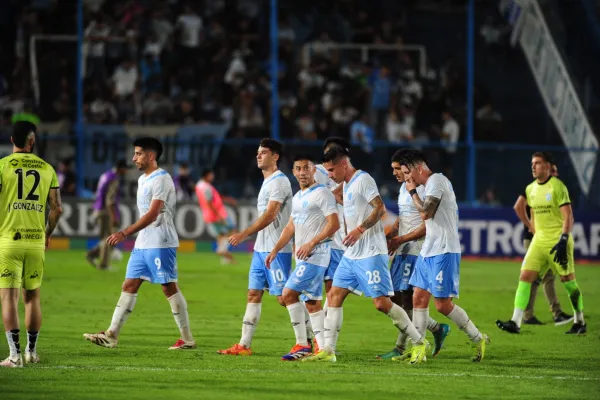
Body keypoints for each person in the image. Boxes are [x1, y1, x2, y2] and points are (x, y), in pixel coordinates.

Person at [304, 146, 429, 364]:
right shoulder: (348, 184)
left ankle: (419, 342)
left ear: (344, 164)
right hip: (352, 254)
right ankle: (328, 350)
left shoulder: (363, 180)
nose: (330, 176)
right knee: (334, 296)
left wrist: (360, 229)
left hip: (371, 253)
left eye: (332, 170)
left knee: (381, 303)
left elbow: (379, 209)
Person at [83, 137, 196, 350]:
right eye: (134, 153)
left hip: (160, 241)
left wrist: (125, 232)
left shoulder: (162, 179)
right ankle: (111, 334)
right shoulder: (142, 179)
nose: (133, 158)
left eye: (138, 153)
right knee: (129, 284)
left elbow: (153, 214)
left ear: (151, 156)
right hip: (143, 242)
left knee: (168, 287)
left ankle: (187, 339)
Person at [397, 149, 489, 362]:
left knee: (442, 304)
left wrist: (412, 192)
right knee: (418, 297)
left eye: (408, 174)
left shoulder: (437, 180)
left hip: (445, 249)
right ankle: (418, 348)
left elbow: (426, 212)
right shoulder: (427, 185)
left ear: (419, 168)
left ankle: (477, 338)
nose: (407, 179)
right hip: (429, 248)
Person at [218, 138, 294, 356]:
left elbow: (271, 215)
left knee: (284, 297)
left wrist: (244, 234)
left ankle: (311, 340)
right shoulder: (267, 181)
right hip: (261, 250)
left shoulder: (280, 181)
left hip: (277, 249)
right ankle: (244, 345)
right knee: (253, 294)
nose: (258, 155)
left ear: (275, 156)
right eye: (258, 152)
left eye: (264, 152)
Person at [497, 152, 586, 335]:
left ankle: (580, 320)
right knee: (525, 276)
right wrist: (533, 228)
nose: (533, 166)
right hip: (539, 241)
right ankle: (516, 321)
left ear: (547, 166)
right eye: (532, 163)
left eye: (537, 163)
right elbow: (532, 214)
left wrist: (563, 238)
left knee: (568, 281)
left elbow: (568, 215)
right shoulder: (530, 189)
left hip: (557, 241)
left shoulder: (558, 187)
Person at [0, 121, 63, 367]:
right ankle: (31, 352)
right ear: (32, 141)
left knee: (8, 297)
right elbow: (57, 209)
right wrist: (47, 234)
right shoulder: (47, 169)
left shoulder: (3, 166)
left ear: (12, 140)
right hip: (36, 240)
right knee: (32, 297)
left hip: (8, 240)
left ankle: (14, 356)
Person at [377, 150, 450, 360]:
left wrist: (401, 239)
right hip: (403, 248)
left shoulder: (422, 189)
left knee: (407, 300)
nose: (395, 173)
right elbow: (403, 216)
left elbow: (428, 225)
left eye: (397, 168)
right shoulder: (404, 188)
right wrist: (392, 233)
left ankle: (403, 347)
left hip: (417, 249)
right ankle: (435, 328)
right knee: (394, 298)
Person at [266, 154, 340, 361]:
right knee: (312, 302)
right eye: (298, 168)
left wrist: (311, 243)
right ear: (293, 171)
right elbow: (291, 227)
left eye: (306, 168)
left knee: (288, 294)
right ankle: (325, 350)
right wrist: (275, 250)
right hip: (304, 257)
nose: (302, 172)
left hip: (316, 255)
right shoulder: (298, 197)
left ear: (314, 170)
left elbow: (334, 224)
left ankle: (302, 344)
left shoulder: (322, 193)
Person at [512, 162, 572, 325]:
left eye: (556, 170)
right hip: (537, 238)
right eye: (553, 170)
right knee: (548, 277)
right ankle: (556, 313)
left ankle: (528, 315)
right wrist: (531, 225)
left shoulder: (549, 189)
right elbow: (518, 206)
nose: (556, 174)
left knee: (537, 279)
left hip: (540, 237)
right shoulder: (535, 188)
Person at [314, 137, 348, 315]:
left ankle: (324, 336)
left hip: (338, 240)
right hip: (318, 238)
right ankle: (317, 333)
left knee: (332, 290)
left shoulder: (349, 176)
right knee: (309, 292)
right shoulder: (316, 171)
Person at [86, 159, 129, 270]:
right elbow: (110, 200)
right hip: (106, 211)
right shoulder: (114, 179)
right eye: (126, 168)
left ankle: (92, 254)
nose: (127, 171)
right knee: (109, 238)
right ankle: (104, 265)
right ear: (121, 168)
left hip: (99, 209)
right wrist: (113, 216)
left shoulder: (106, 175)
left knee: (105, 238)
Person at [196, 168, 236, 264]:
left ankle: (225, 258)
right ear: (206, 175)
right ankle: (222, 249)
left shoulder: (199, 186)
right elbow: (209, 202)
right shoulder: (207, 187)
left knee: (221, 234)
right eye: (211, 175)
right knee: (232, 230)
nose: (213, 177)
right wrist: (219, 215)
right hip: (218, 213)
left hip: (208, 215)